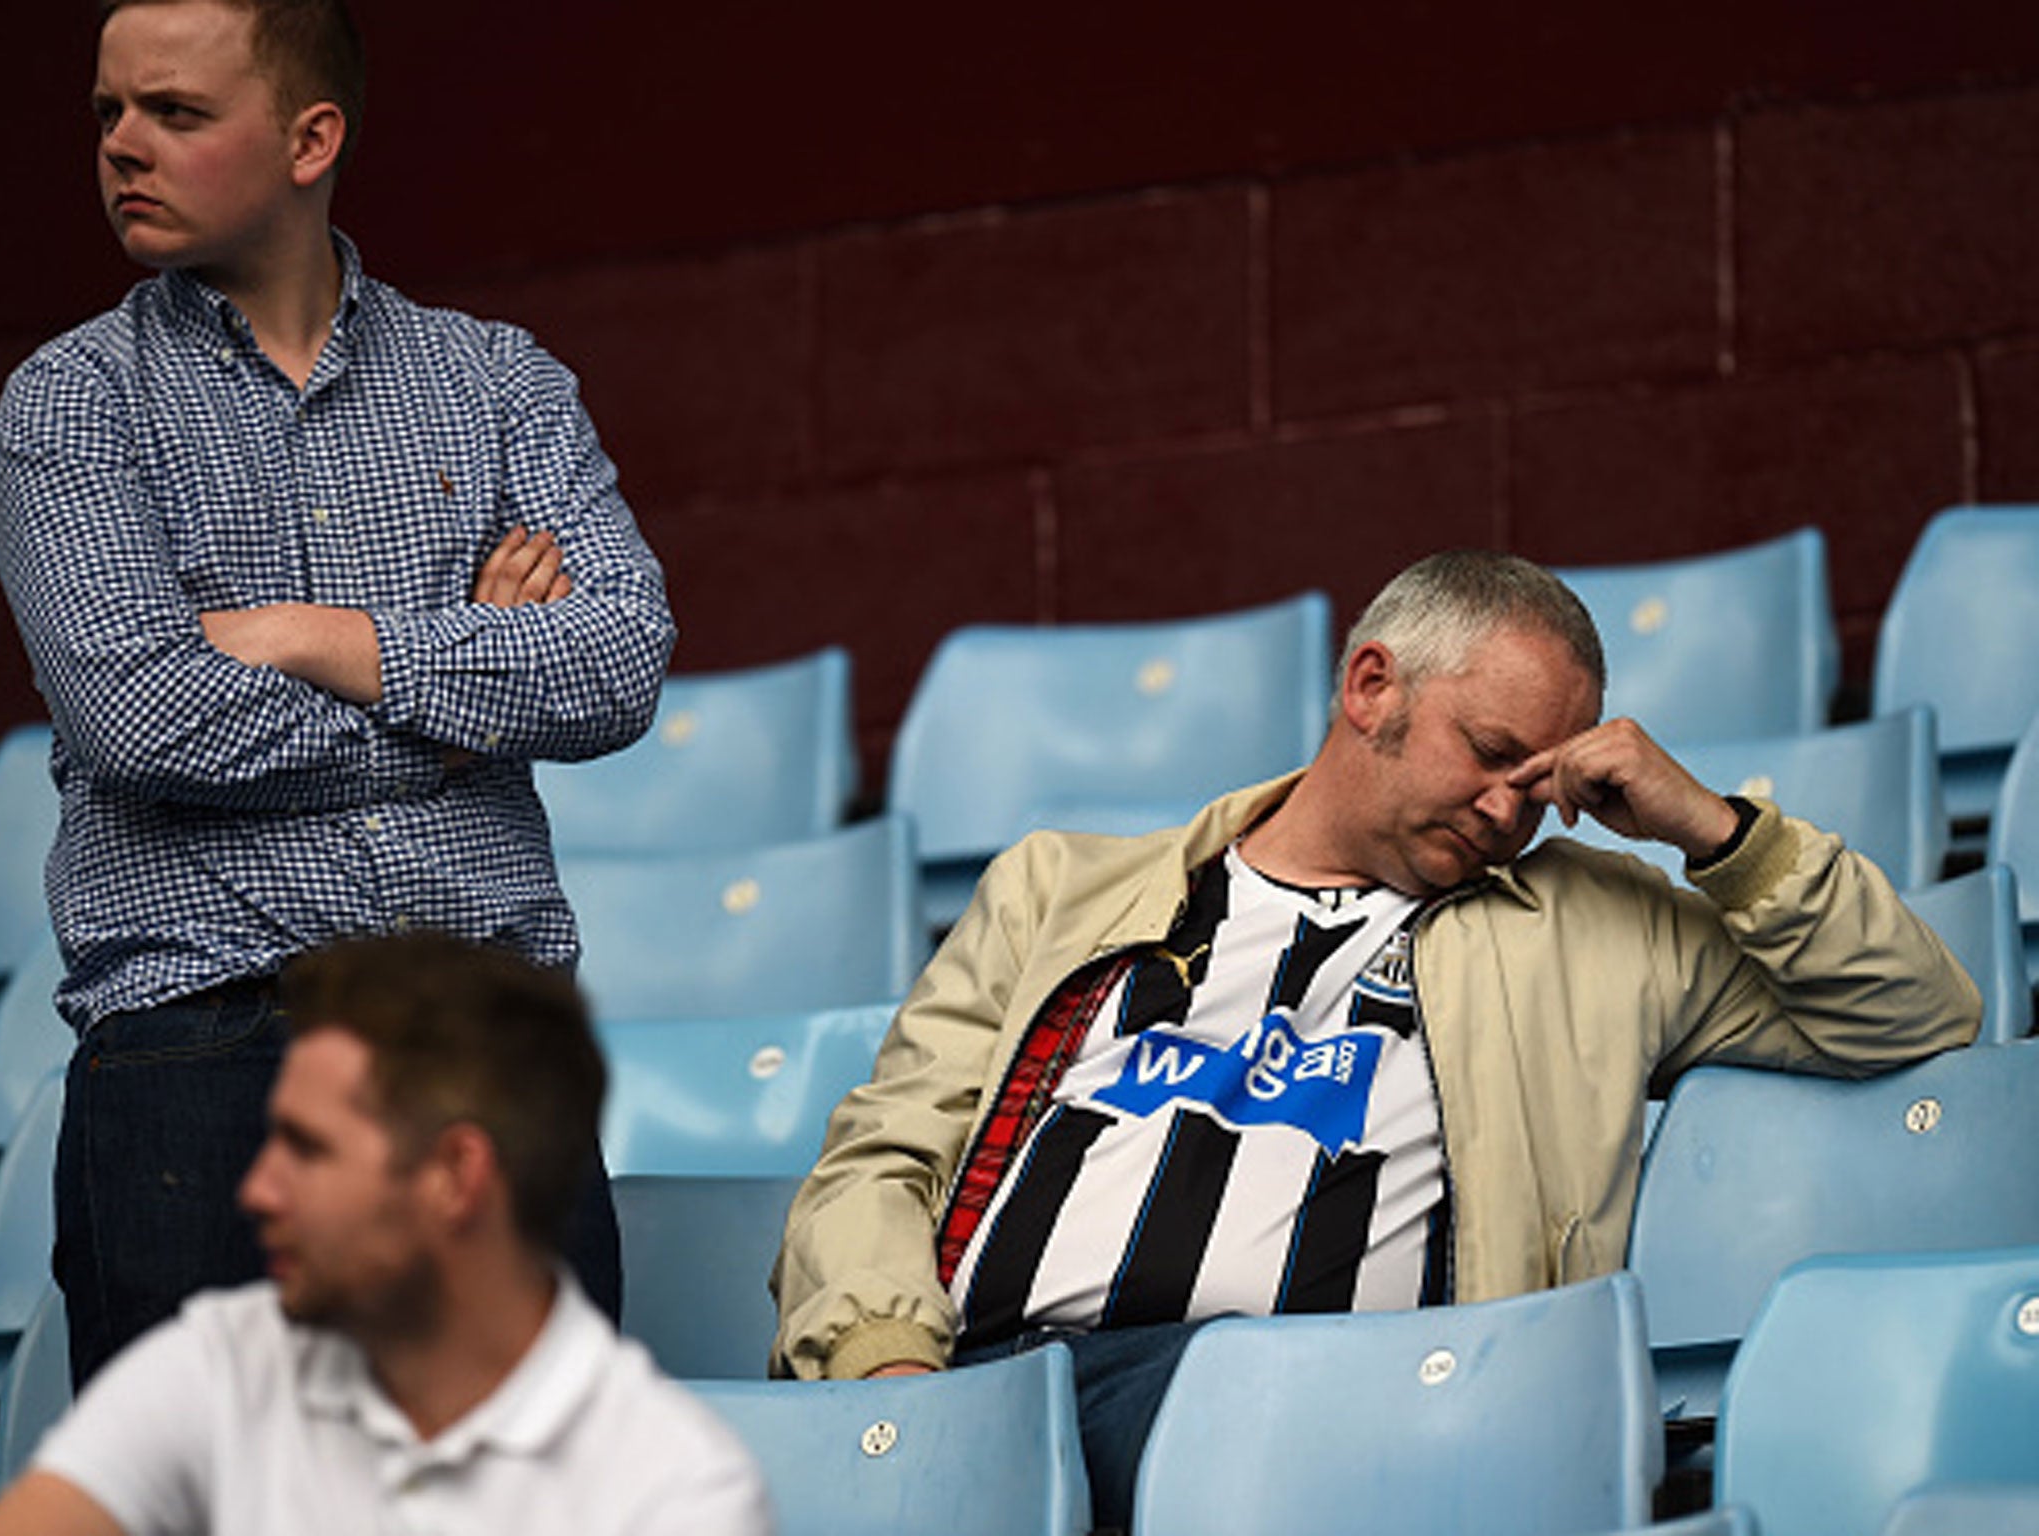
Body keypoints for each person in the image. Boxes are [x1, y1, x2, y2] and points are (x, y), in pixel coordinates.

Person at [770, 549, 1981, 1531]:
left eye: (1536, 781)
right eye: (1490, 755)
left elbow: (1916, 1009)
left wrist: (1711, 832)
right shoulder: (1063, 890)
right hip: (991, 1396)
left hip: (1339, 1424)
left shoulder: (1596, 932)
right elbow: (879, 1160)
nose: (1509, 810)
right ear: (1370, 688)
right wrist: (896, 1392)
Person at [0, 0, 673, 1387]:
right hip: (200, 1060)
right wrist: (463, 688)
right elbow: (146, 718)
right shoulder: (70, 405)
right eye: (108, 112)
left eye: (175, 113)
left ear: (313, 139)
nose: (123, 145)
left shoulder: (499, 383)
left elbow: (617, 661)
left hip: (480, 1053)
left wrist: (320, 638)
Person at [0, 932, 772, 1536]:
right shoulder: (213, 1366)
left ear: (454, 1176)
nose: (258, 1189)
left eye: (309, 1149)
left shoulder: (673, 1484)